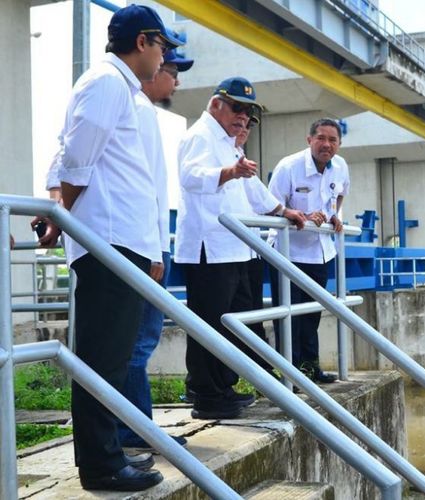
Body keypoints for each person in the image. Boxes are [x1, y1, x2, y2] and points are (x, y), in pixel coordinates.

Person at [56, 4, 181, 492]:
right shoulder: (107, 82)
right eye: (163, 45)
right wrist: (63, 216)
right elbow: (75, 154)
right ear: (144, 41)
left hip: (122, 241)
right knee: (102, 360)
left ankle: (108, 456)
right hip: (107, 242)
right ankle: (102, 465)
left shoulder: (122, 90)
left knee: (110, 357)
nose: (165, 55)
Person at [174, 77, 304, 420]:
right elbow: (190, 176)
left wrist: (282, 210)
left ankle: (224, 387)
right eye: (237, 108)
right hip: (210, 248)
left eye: (248, 114)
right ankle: (206, 393)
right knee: (209, 322)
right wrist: (230, 171)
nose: (243, 118)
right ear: (216, 103)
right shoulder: (200, 136)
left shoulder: (229, 143)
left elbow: (253, 189)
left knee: (232, 322)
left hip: (236, 248)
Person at [116, 46, 194, 450]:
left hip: (146, 241)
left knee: (134, 343)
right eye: (172, 70)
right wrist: (153, 252)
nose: (176, 81)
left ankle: (132, 428)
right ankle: (135, 430)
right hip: (142, 245)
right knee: (139, 342)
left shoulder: (143, 112)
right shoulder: (136, 109)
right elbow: (141, 190)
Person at [268, 118, 350, 383]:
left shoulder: (340, 167)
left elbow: (340, 194)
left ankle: (310, 369)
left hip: (320, 252)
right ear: (309, 140)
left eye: (332, 140)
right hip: (287, 253)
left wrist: (335, 215)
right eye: (321, 138)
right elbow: (271, 206)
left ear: (338, 144)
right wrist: (300, 215)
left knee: (312, 313)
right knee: (288, 316)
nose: (326, 144)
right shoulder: (289, 167)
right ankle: (289, 374)